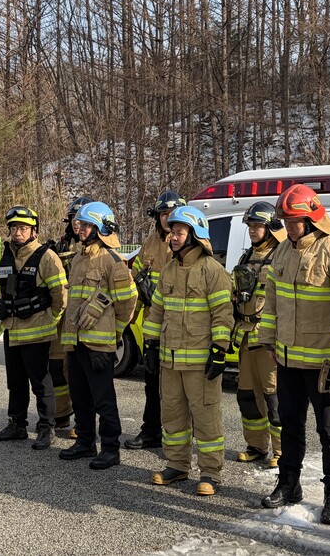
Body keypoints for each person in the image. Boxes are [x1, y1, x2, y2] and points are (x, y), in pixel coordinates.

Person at [257, 184, 330, 525]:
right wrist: (268, 340)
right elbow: (271, 303)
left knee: (329, 431)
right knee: (290, 426)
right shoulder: (282, 252)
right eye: (284, 219)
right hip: (286, 360)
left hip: (323, 365)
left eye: (293, 220)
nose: (288, 226)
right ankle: (289, 485)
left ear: (311, 219)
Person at [142, 205, 233, 495]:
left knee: (206, 418)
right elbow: (156, 311)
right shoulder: (168, 269)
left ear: (195, 235)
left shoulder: (213, 271)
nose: (174, 237)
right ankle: (178, 465)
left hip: (199, 362)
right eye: (173, 232)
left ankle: (210, 472)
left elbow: (222, 314)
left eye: (181, 232)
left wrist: (219, 351)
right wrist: (150, 345)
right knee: (173, 416)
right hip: (169, 361)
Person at [58, 200, 137, 470]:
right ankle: (85, 442)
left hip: (99, 344)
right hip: (76, 341)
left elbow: (128, 300)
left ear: (102, 227)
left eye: (88, 224)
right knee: (79, 395)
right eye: (80, 223)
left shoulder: (113, 260)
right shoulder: (79, 257)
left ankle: (111, 448)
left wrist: (114, 333)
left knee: (103, 399)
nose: (80, 229)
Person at [0, 206, 68, 450]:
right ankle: (17, 424)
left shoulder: (47, 257)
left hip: (36, 332)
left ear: (34, 231)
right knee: (15, 381)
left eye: (23, 228)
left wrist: (50, 320)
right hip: (12, 329)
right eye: (14, 227)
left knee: (41, 383)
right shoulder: (7, 254)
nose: (17, 232)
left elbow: (60, 296)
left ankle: (46, 428)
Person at [125, 189, 189, 450]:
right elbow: (136, 280)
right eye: (163, 214)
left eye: (172, 214)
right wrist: (130, 317)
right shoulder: (150, 242)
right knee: (152, 384)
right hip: (153, 324)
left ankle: (179, 439)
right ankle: (151, 431)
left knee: (180, 389)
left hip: (180, 327)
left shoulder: (188, 242)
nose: (167, 219)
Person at [231, 201, 286, 467]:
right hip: (245, 337)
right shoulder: (245, 258)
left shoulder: (280, 256)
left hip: (267, 340)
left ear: (271, 227)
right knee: (247, 396)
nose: (252, 231)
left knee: (273, 397)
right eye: (250, 226)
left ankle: (281, 450)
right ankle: (256, 446)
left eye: (257, 226)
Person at [46, 195, 92, 438]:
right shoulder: (62, 245)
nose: (77, 224)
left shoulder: (97, 248)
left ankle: (83, 421)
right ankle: (61, 414)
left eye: (82, 219)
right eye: (74, 218)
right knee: (57, 367)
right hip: (61, 318)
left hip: (84, 317)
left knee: (81, 371)